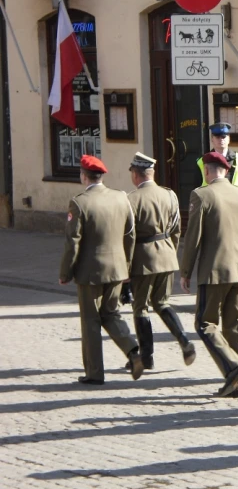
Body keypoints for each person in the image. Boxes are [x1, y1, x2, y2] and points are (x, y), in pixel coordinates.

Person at [180, 151, 238, 398]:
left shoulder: (201, 195)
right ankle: (235, 385)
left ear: (206, 170)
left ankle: (233, 368)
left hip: (214, 272)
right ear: (226, 171)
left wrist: (185, 271)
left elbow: (193, 237)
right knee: (234, 327)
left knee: (204, 324)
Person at [59, 155, 145, 385]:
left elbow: (73, 242)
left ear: (83, 176)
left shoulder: (79, 203)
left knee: (90, 321)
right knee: (111, 314)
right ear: (102, 176)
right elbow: (130, 235)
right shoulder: (121, 197)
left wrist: (65, 272)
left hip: (90, 272)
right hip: (117, 269)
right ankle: (133, 350)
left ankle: (94, 373)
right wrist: (126, 266)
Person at [126, 153, 196, 371]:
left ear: (136, 175)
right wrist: (169, 252)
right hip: (166, 257)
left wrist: (126, 266)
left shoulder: (131, 200)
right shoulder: (170, 195)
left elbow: (128, 236)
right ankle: (184, 340)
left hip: (143, 259)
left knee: (140, 308)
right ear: (152, 173)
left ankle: (147, 357)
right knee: (162, 303)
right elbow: (176, 230)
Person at [196, 122, 238, 305]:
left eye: (224, 137)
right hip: (218, 208)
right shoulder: (204, 161)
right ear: (212, 139)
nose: (221, 140)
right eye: (217, 137)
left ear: (229, 138)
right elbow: (202, 186)